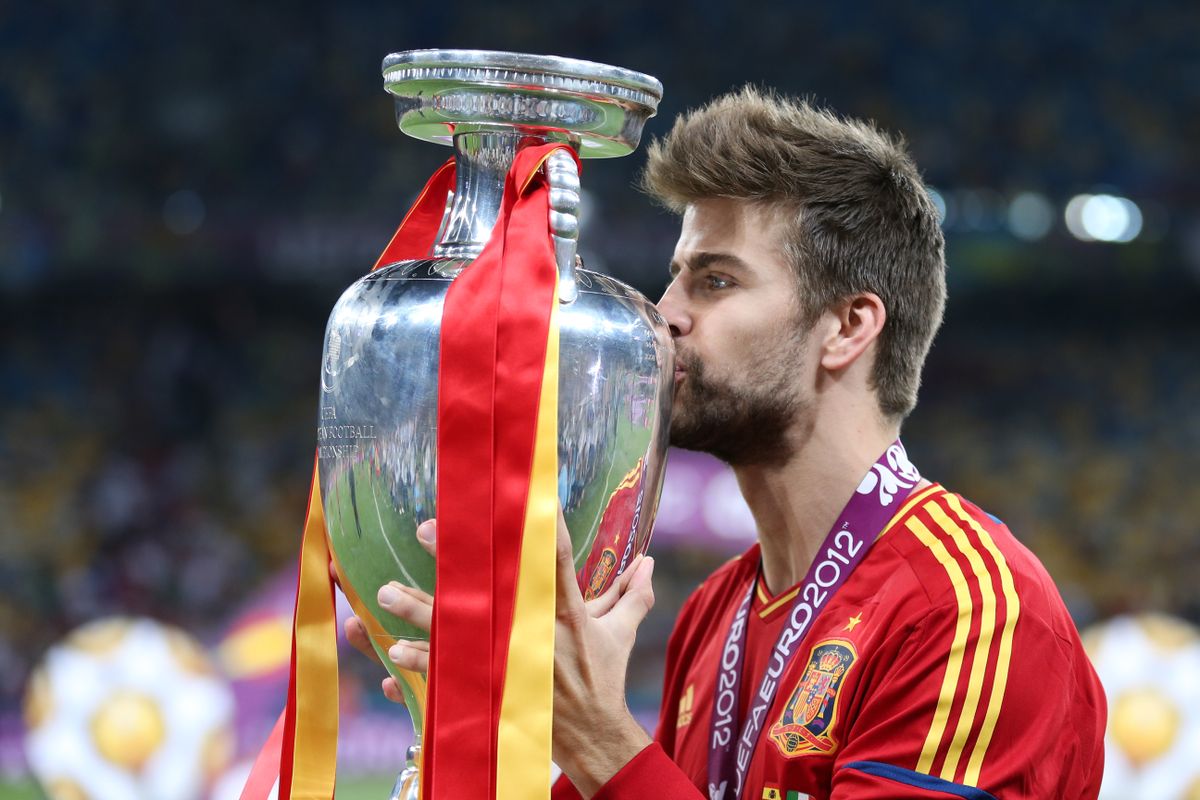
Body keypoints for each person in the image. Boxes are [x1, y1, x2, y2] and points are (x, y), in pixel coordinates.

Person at [349, 87, 1107, 800]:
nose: (664, 313)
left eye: (715, 282)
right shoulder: (719, 612)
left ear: (848, 328)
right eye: (675, 276)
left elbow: (618, 767)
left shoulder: (969, 614)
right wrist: (490, 722)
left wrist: (599, 741)